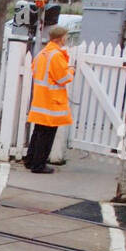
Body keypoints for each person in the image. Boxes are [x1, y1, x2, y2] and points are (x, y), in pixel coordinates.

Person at [24, 25, 74, 174]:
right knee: (47, 135)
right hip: (52, 101)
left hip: (41, 99)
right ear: (60, 38)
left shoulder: (42, 53)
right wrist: (71, 70)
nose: (66, 39)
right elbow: (63, 78)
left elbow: (35, 71)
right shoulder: (56, 55)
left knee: (38, 132)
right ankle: (38, 165)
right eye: (66, 36)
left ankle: (30, 160)